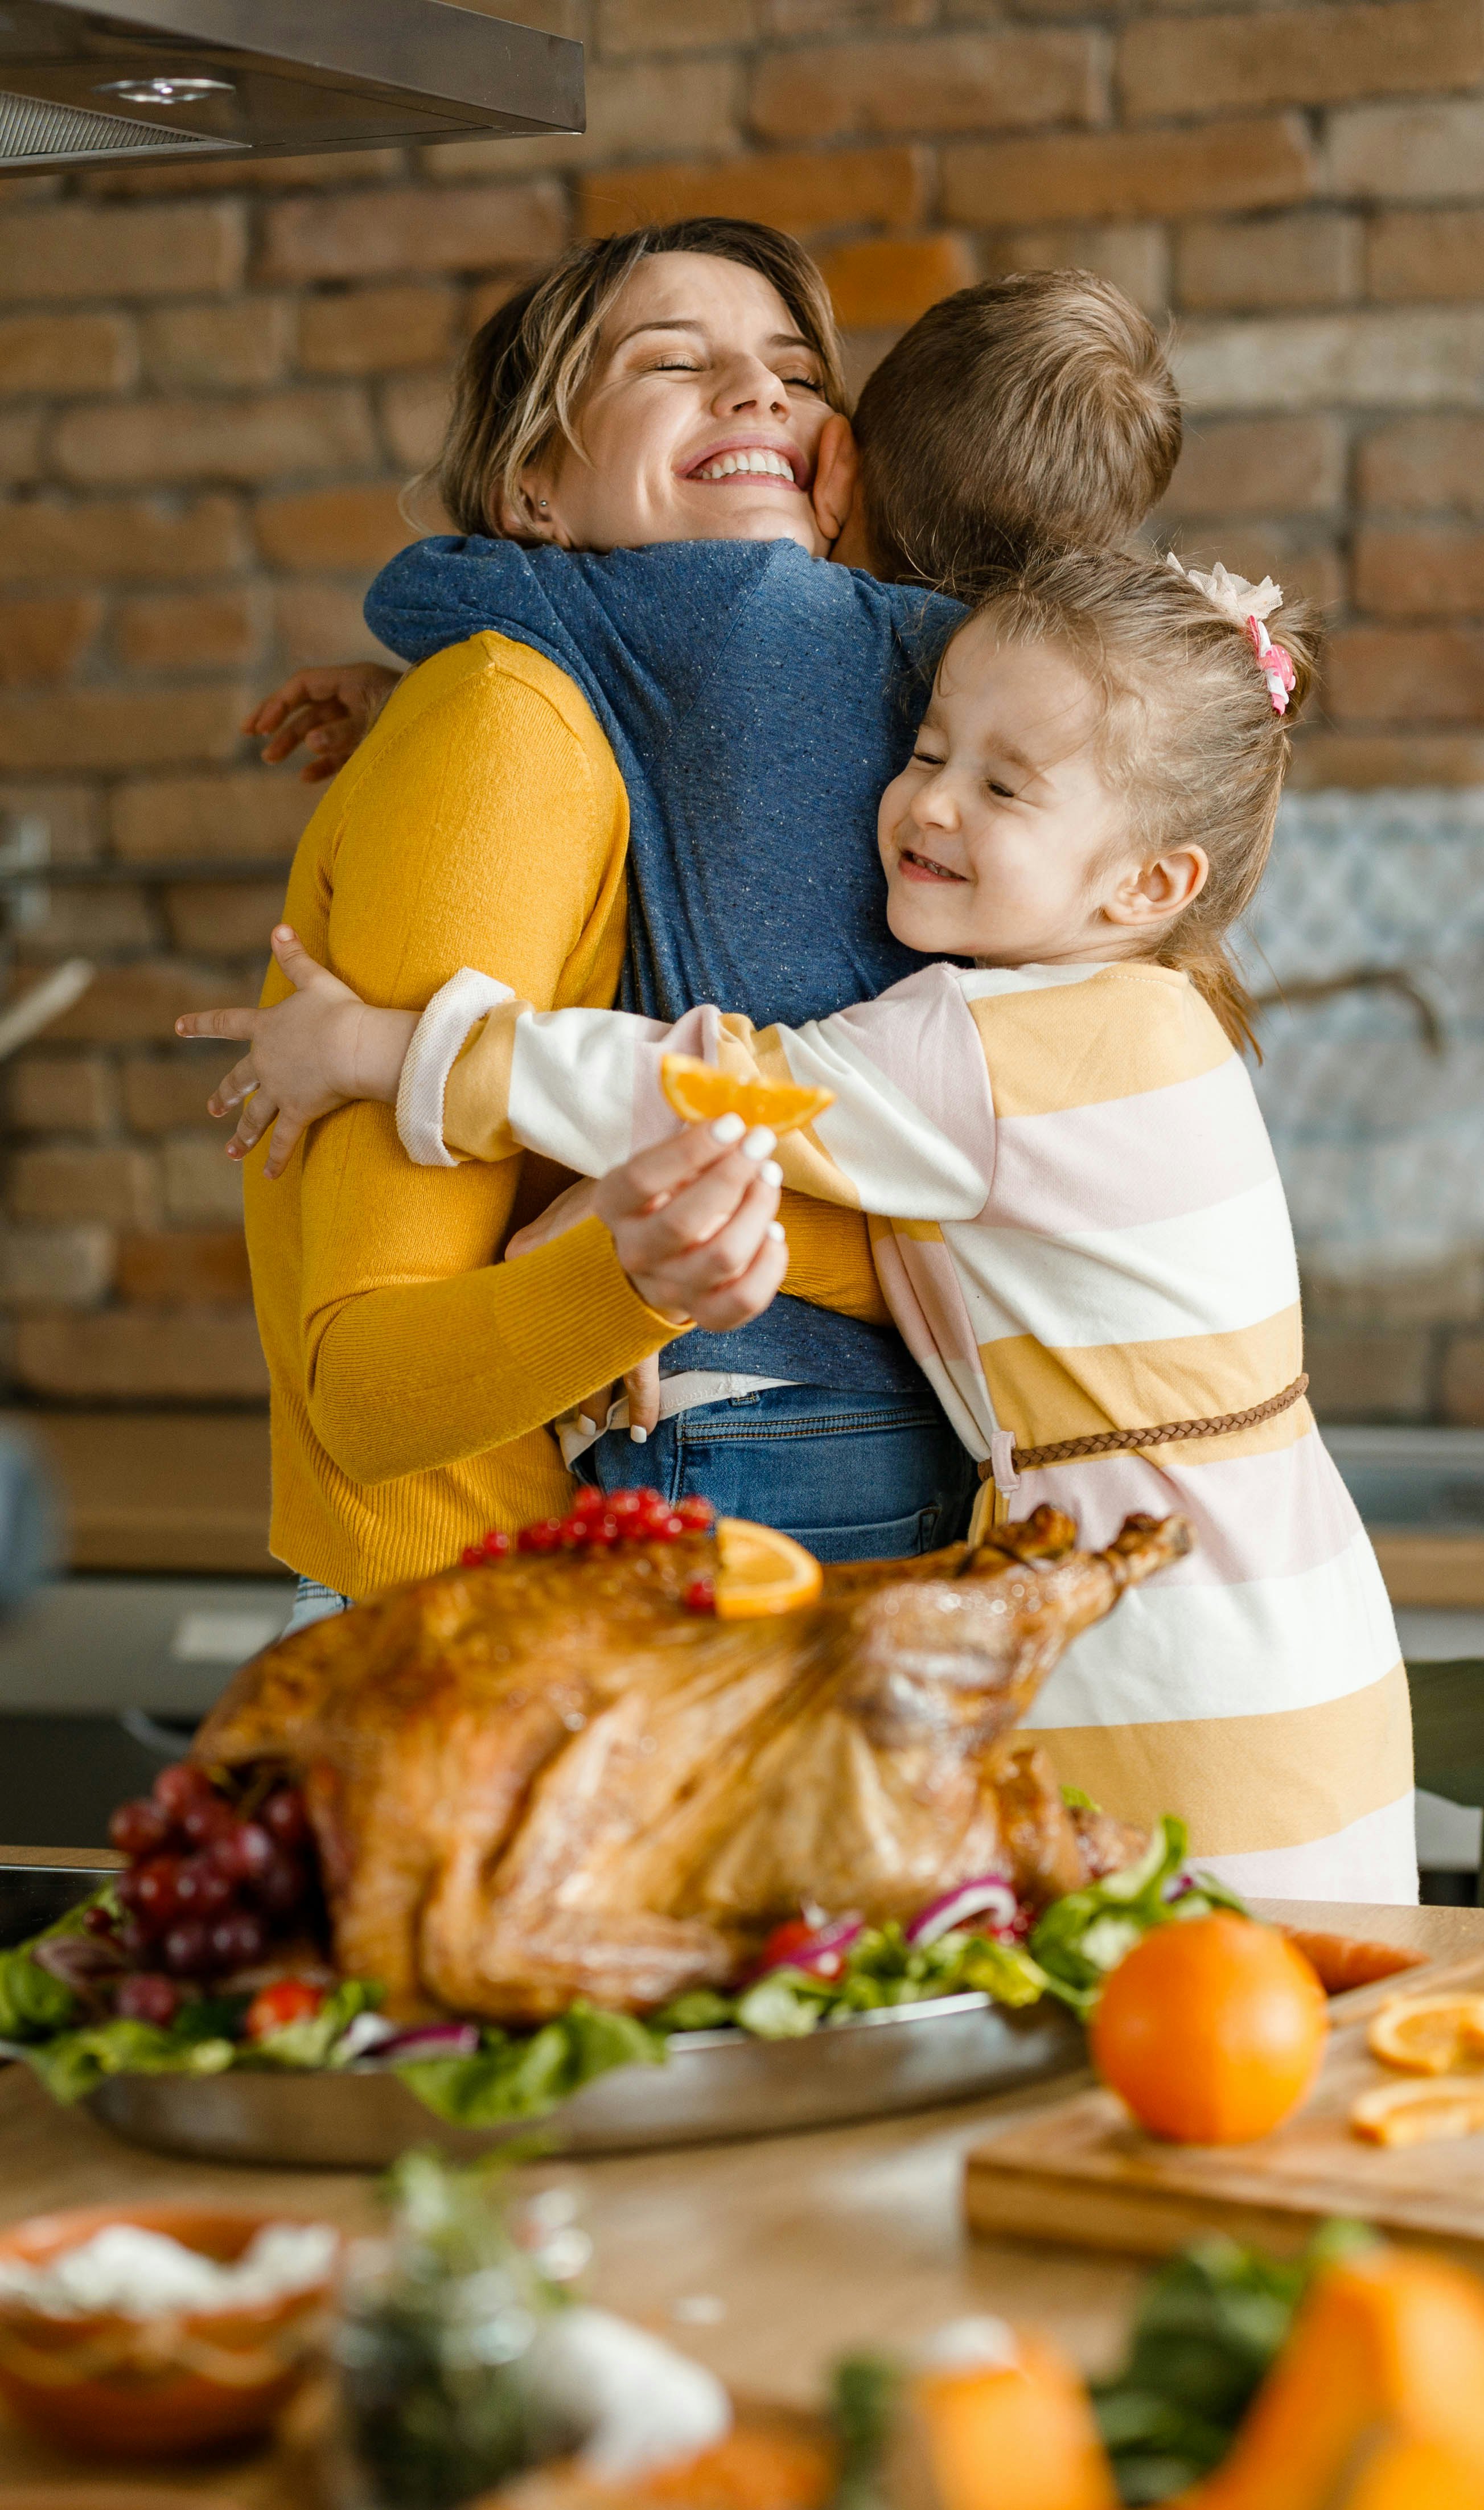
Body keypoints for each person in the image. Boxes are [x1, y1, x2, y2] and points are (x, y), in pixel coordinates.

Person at [183, 551, 1417, 1905]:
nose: (931, 800)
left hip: (1168, 1648)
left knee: (1165, 2025)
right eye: (931, 746)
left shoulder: (984, 1049)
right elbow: (913, 1240)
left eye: (1003, 786)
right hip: (1288, 1609)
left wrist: (386, 1046)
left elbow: (702, 1075)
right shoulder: (1166, 1021)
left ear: (1146, 882)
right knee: (1296, 2037)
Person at [224, 241, 1182, 1605]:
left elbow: (461, 588)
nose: (756, 392)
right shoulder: (995, 706)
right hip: (943, 1427)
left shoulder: (544, 684)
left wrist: (417, 664)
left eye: (798, 377)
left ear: (838, 463)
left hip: (702, 1428)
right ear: (531, 481)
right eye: (674, 360)